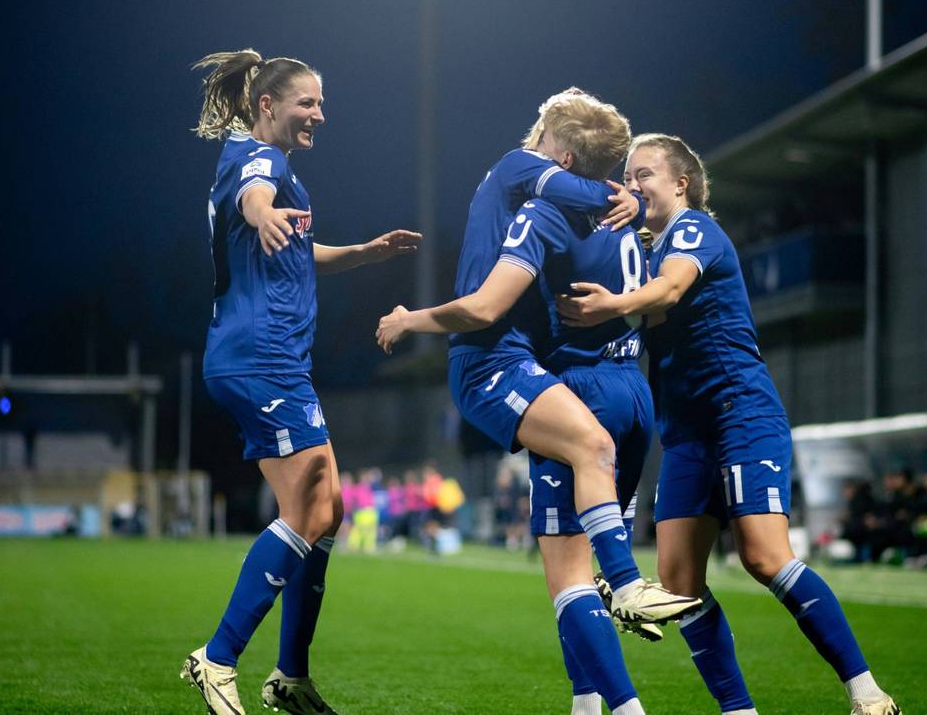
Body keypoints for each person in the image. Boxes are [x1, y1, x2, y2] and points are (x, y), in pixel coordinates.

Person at [377, 91, 702, 715]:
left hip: (525, 366)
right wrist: (633, 200)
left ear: (564, 152)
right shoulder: (624, 222)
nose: (533, 144)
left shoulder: (535, 200)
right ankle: (622, 638)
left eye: (545, 139)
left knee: (572, 575)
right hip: (607, 384)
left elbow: (484, 307)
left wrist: (408, 318)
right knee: (582, 539)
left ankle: (618, 620)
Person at [558, 133, 900, 715]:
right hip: (687, 435)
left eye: (644, 175)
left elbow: (667, 291)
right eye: (628, 176)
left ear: (681, 184)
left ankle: (866, 693)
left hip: (740, 414)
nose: (633, 184)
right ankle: (739, 712)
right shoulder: (639, 249)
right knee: (678, 584)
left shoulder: (694, 231)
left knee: (764, 557)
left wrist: (610, 305)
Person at [183, 48, 421, 715]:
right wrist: (262, 212)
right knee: (310, 510)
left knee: (328, 513)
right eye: (307, 102)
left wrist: (363, 252)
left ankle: (290, 675)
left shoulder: (259, 163)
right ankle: (219, 657)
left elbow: (292, 243)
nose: (319, 113)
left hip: (267, 359)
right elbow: (255, 197)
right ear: (267, 105)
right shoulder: (262, 161)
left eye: (320, 102)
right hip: (262, 359)